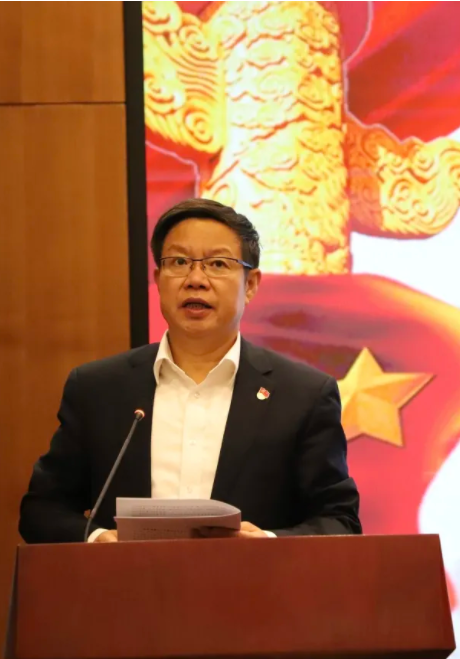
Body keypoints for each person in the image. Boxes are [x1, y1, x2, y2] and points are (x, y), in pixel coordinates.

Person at [19, 198, 361, 543]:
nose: (196, 279)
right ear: (158, 279)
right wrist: (97, 539)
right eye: (179, 262)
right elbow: (42, 510)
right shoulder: (98, 389)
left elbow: (339, 520)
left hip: (253, 579)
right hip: (126, 578)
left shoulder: (302, 396)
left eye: (218, 264)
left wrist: (268, 544)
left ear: (251, 284)